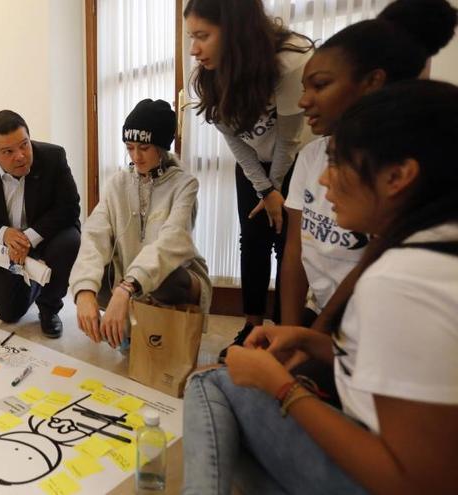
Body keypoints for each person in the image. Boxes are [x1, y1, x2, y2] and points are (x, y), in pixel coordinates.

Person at [182, 80, 458, 495]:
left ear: (398, 176)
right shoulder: (437, 247)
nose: (325, 183)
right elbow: (407, 375)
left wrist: (282, 387)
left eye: (339, 162)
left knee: (211, 384)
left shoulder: (400, 281)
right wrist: (313, 343)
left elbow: (414, 481)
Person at [280, 0, 457, 330]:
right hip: (324, 318)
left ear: (373, 82)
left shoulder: (397, 173)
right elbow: (295, 250)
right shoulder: (310, 156)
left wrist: (309, 346)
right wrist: (292, 334)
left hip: (366, 323)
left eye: (320, 85)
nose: (303, 101)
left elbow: (371, 264)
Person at [184, 0, 314, 351]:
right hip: (255, 165)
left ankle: (285, 333)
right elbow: (234, 138)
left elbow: (289, 137)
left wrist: (276, 190)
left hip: (296, 160)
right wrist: (264, 189)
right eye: (190, 37)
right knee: (253, 239)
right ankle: (252, 327)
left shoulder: (288, 61)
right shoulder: (211, 73)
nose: (194, 49)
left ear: (236, 31)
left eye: (203, 36)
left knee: (289, 246)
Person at [70, 99, 212, 349]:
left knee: (165, 277)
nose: (136, 157)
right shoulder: (118, 183)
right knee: (80, 258)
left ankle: (153, 324)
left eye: (144, 148)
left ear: (161, 147)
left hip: (173, 279)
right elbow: (94, 235)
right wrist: (84, 291)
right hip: (131, 278)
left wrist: (126, 288)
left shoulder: (185, 185)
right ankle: (130, 325)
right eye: (130, 147)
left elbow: (172, 242)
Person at [0, 110, 81, 338]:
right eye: (8, 152)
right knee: (8, 314)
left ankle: (49, 308)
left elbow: (70, 207)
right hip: (5, 248)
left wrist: (28, 238)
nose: (21, 156)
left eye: (24, 145)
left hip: (47, 236)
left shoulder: (53, 157)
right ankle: (34, 280)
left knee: (70, 241)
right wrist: (4, 234)